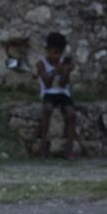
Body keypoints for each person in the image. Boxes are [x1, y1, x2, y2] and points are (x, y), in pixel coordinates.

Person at [35, 32, 76, 160]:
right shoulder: (41, 64)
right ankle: (43, 147)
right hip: (49, 93)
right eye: (54, 52)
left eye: (59, 53)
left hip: (63, 92)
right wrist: (54, 72)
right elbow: (47, 85)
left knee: (71, 113)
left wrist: (66, 72)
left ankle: (69, 150)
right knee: (47, 109)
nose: (57, 56)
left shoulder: (64, 62)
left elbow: (64, 84)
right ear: (47, 50)